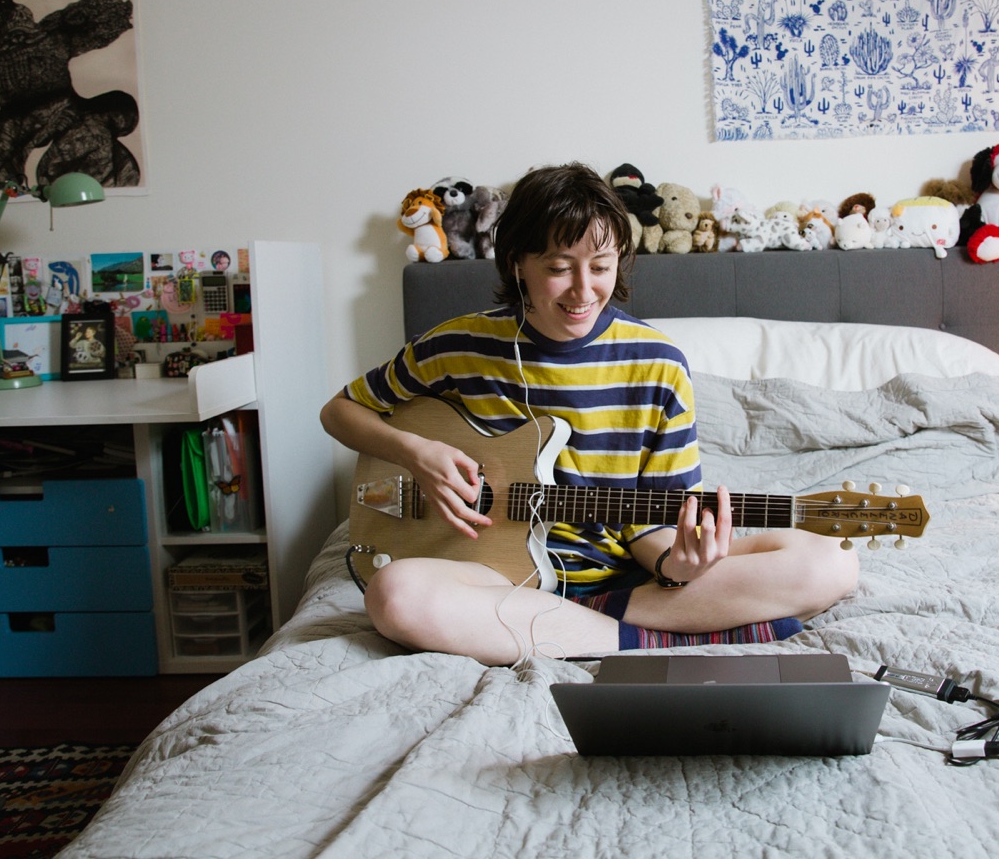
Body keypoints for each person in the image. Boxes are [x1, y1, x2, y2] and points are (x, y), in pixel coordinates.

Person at [320, 162, 857, 666]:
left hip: (629, 583)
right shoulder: (459, 345)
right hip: (494, 578)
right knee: (394, 597)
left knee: (832, 562)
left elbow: (654, 522)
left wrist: (678, 566)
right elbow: (340, 411)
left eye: (600, 267)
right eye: (558, 268)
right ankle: (646, 638)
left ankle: (589, 627)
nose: (584, 291)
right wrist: (417, 452)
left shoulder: (658, 364)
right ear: (518, 264)